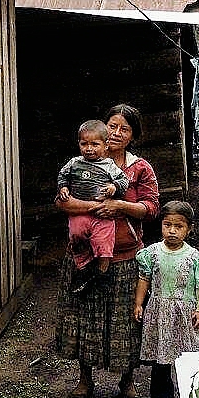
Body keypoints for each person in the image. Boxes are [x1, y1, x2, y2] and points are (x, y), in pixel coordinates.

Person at [55, 103, 160, 398]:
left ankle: (126, 382)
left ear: (132, 136)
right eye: (112, 125)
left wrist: (121, 206)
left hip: (126, 258)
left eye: (124, 129)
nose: (116, 132)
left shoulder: (139, 168)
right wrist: (96, 208)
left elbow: (151, 209)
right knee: (83, 316)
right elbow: (63, 203)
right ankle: (84, 380)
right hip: (83, 255)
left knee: (126, 322)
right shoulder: (80, 163)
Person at [133, 200, 199, 398]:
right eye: (167, 225)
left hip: (186, 314)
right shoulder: (152, 253)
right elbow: (144, 278)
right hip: (160, 313)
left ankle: (196, 395)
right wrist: (139, 303)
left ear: (189, 229)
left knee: (191, 354)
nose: (172, 231)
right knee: (162, 356)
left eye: (178, 227)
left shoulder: (196, 258)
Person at [56, 119, 130, 292]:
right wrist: (63, 187)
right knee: (76, 235)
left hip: (103, 215)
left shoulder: (109, 165)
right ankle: (83, 269)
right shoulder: (74, 163)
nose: (89, 149)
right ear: (79, 144)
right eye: (84, 144)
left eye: (94, 144)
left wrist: (114, 187)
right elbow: (62, 175)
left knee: (104, 244)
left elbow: (123, 181)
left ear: (105, 145)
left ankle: (102, 272)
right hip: (79, 214)